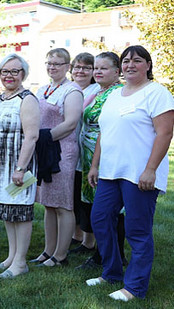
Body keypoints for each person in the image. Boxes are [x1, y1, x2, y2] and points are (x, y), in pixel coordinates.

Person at [87, 45, 174, 302]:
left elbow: (165, 133)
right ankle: (112, 272)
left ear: (148, 64)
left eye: (137, 61)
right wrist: (95, 165)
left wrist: (150, 170)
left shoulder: (157, 93)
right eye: (126, 61)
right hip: (110, 172)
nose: (130, 65)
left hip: (139, 174)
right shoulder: (115, 95)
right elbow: (105, 130)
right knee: (100, 218)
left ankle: (134, 287)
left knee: (138, 230)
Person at [0, 54, 39, 278]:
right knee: (8, 211)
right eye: (5, 71)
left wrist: (20, 168)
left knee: (21, 211)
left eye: (15, 71)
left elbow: (32, 136)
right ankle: (11, 256)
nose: (9, 76)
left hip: (19, 166)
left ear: (23, 74)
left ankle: (20, 263)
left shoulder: (27, 99)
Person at [30, 48, 82, 267]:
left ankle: (61, 255)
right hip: (44, 151)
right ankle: (47, 250)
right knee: (48, 204)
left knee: (63, 204)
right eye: (49, 63)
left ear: (67, 67)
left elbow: (70, 123)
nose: (52, 67)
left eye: (57, 64)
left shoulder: (72, 91)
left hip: (63, 151)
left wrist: (44, 138)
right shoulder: (43, 89)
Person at [76, 52, 126, 270]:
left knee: (110, 208)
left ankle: (112, 254)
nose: (97, 72)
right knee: (95, 207)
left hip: (105, 155)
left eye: (103, 68)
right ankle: (100, 249)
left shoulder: (117, 93)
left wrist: (95, 162)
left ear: (117, 72)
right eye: (96, 68)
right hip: (88, 156)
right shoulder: (98, 91)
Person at [69, 52, 99, 254]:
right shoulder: (66, 88)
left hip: (89, 153)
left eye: (86, 68)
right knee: (72, 196)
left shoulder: (97, 90)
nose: (81, 71)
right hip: (70, 152)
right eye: (77, 67)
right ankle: (76, 234)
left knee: (88, 197)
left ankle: (90, 240)